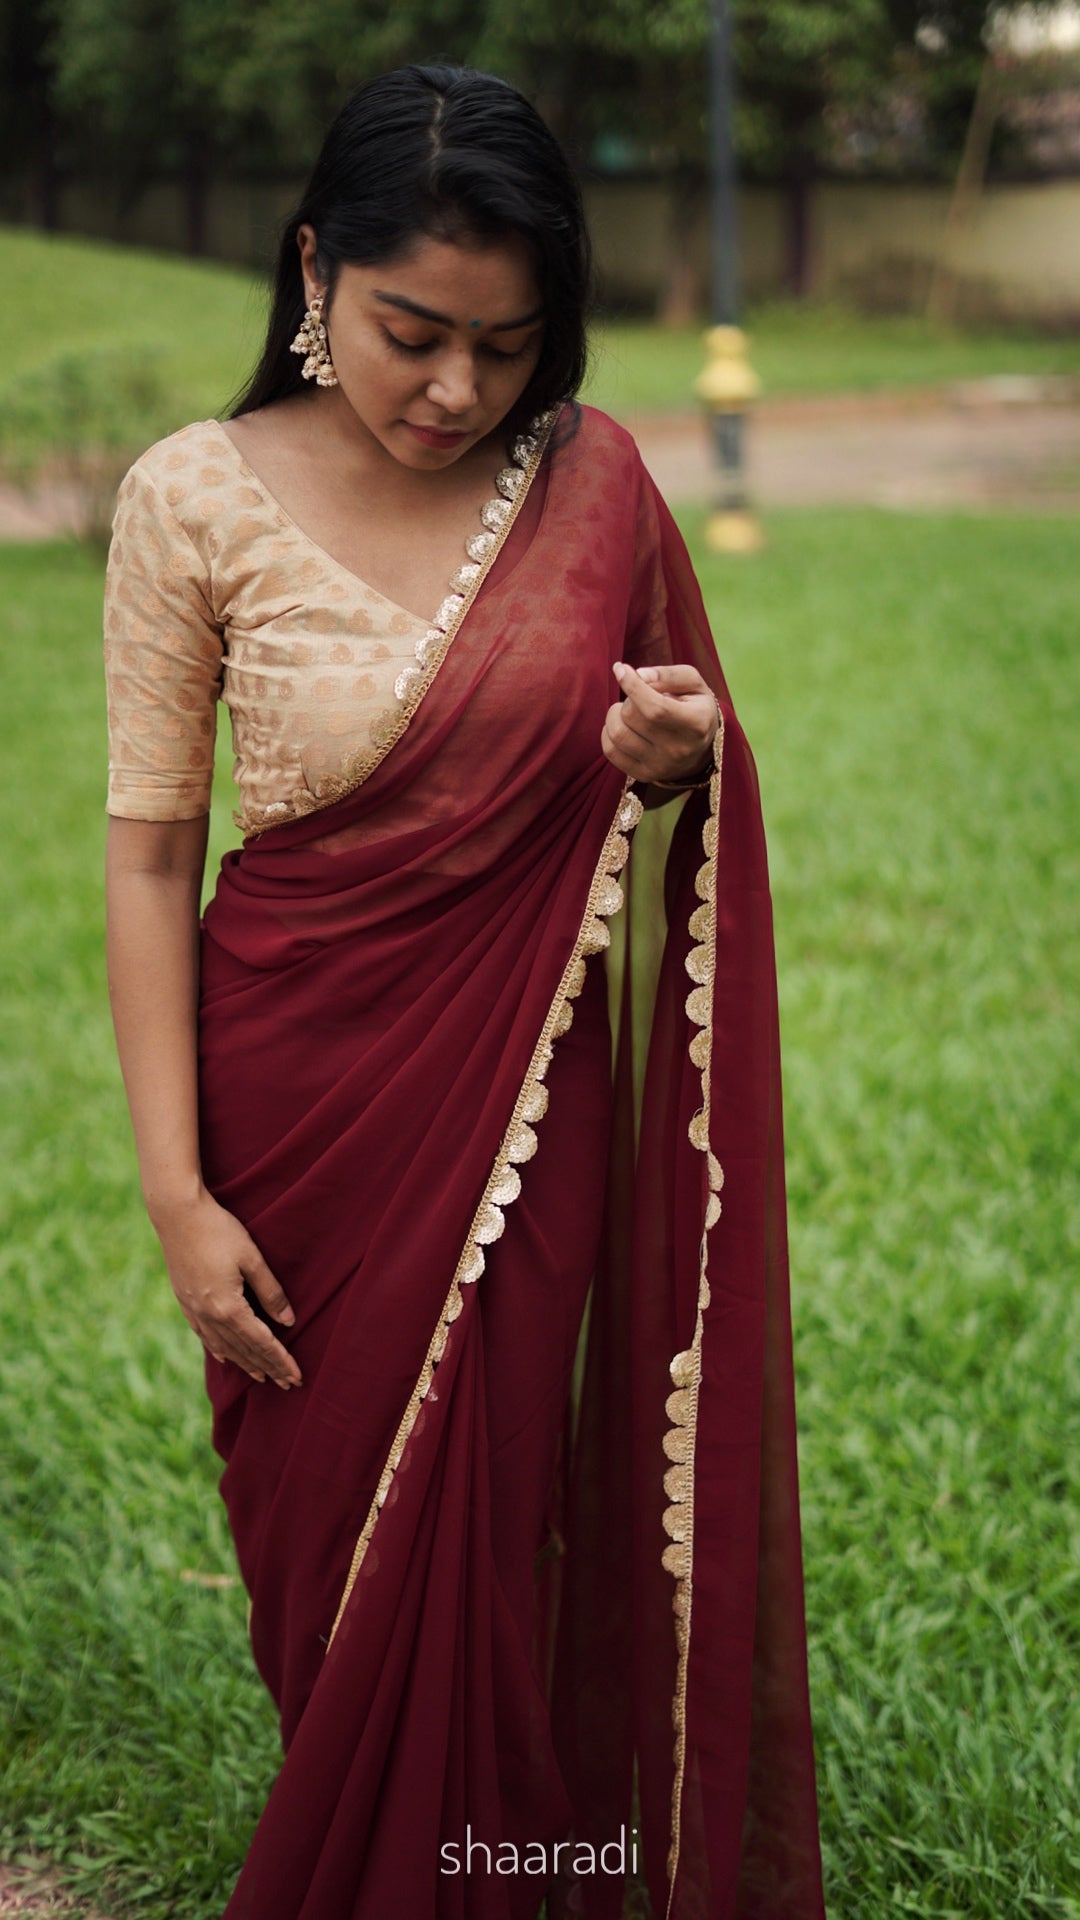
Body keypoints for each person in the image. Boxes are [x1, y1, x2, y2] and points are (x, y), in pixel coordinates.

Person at [103, 63, 825, 1920]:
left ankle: (494, 1861)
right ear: (312, 266)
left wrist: (671, 764)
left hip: (521, 1092)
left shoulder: (593, 486)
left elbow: (680, 815)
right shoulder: (191, 499)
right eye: (411, 331)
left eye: (506, 350)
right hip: (291, 1105)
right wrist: (180, 1197)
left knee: (494, 1513)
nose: (453, 391)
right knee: (318, 1532)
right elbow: (147, 866)